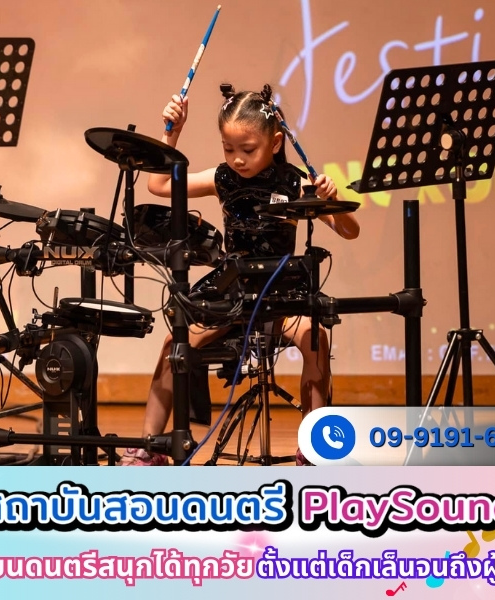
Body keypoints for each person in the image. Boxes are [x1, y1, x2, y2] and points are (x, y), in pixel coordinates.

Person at [119, 84, 359, 466]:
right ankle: (151, 447)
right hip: (232, 291)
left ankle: (315, 447)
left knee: (315, 338)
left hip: (282, 294)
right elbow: (159, 184)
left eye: (247, 149)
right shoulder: (222, 178)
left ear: (276, 143)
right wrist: (172, 133)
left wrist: (331, 200)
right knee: (174, 343)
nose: (237, 159)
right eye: (228, 148)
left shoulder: (295, 183)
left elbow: (350, 231)